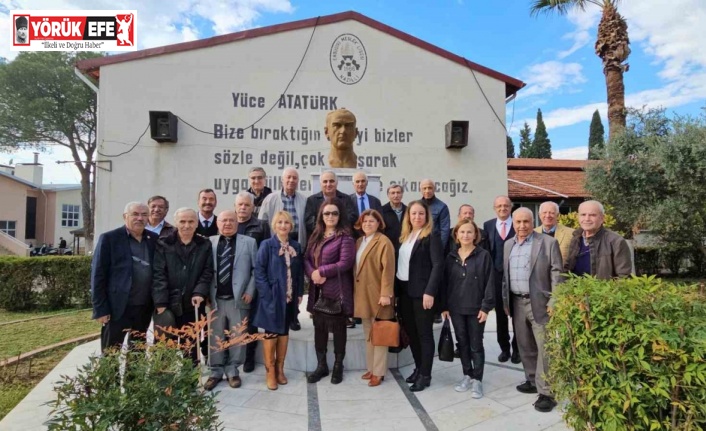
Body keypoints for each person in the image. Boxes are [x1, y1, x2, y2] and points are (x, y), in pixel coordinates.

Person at [502, 207, 563, 412]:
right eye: (518, 222)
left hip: (540, 303)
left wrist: (554, 301)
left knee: (544, 346)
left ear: (533, 221)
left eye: (526, 222)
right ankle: (531, 379)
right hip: (516, 302)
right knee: (525, 344)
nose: (522, 226)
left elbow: (557, 274)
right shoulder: (507, 244)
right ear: (513, 223)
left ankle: (546, 392)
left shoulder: (548, 243)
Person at [91, 202, 157, 352]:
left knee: (138, 352)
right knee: (111, 353)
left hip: (143, 307)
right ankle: (110, 377)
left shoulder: (153, 239)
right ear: (125, 216)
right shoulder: (109, 239)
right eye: (135, 214)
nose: (140, 218)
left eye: (144, 215)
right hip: (117, 308)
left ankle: (133, 377)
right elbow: (98, 275)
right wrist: (100, 309)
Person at [204, 210, 258, 391]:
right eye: (223, 220)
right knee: (215, 336)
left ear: (237, 223)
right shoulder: (208, 243)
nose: (227, 223)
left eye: (231, 220)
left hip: (239, 298)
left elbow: (255, 270)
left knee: (238, 336)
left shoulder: (249, 243)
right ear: (217, 223)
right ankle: (215, 371)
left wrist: (250, 291)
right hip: (214, 300)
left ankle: (233, 370)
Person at [151, 208, 213, 364]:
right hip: (167, 304)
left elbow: (207, 272)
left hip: (192, 304)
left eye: (191, 221)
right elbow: (158, 274)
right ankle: (164, 383)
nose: (186, 225)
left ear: (197, 223)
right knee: (165, 346)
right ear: (176, 223)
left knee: (190, 346)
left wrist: (200, 292)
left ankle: (189, 383)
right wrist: (160, 302)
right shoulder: (164, 243)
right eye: (182, 221)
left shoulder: (204, 244)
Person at [441, 218, 494, 398]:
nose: (466, 235)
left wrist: (486, 307)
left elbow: (489, 282)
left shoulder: (483, 255)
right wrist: (445, 306)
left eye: (469, 232)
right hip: (456, 308)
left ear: (475, 235)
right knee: (462, 343)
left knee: (476, 344)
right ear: (456, 235)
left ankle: (477, 380)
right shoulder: (450, 257)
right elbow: (445, 283)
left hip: (476, 308)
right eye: (462, 232)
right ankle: (467, 375)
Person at [305, 198, 355, 385]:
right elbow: (306, 259)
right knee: (320, 329)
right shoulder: (316, 235)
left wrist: (323, 272)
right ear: (321, 215)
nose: (330, 216)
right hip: (317, 290)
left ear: (339, 215)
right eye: (327, 213)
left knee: (339, 329)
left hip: (336, 290)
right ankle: (322, 365)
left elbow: (345, 263)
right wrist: (313, 273)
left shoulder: (345, 237)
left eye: (334, 213)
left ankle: (338, 366)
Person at [253, 211, 304, 390]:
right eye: (280, 222)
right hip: (272, 297)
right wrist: (267, 294)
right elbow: (259, 271)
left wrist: (298, 293)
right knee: (271, 333)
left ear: (291, 226)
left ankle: (280, 369)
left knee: (284, 332)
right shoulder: (267, 245)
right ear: (275, 225)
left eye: (287, 223)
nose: (283, 226)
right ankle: (270, 371)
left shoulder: (296, 246)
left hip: (289, 298)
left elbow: (298, 273)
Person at [396, 200, 443, 392]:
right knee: (412, 333)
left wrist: (430, 292)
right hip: (405, 292)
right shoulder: (405, 236)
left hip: (422, 293)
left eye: (421, 214)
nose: (417, 217)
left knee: (424, 334)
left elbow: (438, 265)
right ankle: (418, 367)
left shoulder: (432, 236)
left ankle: (426, 375)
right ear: (408, 216)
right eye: (413, 213)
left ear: (426, 216)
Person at [259, 167, 308, 331]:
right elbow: (262, 222)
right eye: (288, 178)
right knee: (279, 278)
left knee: (293, 276)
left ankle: (293, 316)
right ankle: (276, 315)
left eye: (294, 178)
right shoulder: (270, 198)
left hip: (295, 241)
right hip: (276, 242)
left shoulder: (303, 199)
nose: (291, 181)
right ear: (282, 180)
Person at [353, 209, 396, 387]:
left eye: (372, 221)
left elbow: (388, 269)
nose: (368, 224)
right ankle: (371, 368)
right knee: (368, 334)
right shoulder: (358, 241)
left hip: (379, 296)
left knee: (380, 334)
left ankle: (379, 372)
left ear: (379, 223)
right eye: (365, 221)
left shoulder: (383, 242)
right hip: (362, 294)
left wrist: (386, 294)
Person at [234, 191, 271, 372]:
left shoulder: (261, 226)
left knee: (251, 323)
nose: (243, 208)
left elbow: (265, 255)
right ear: (235, 206)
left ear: (253, 207)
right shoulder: (228, 223)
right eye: (240, 204)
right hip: (232, 280)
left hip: (253, 279)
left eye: (247, 205)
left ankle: (249, 356)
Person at [483, 196, 520, 364]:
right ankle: (504, 348)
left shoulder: (518, 223)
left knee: (518, 315)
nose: (503, 208)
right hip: (497, 277)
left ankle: (517, 349)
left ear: (511, 207)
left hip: (517, 276)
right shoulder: (488, 225)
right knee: (500, 316)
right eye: (499, 206)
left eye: (506, 205)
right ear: (494, 208)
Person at [564, 200, 633, 278]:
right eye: (583, 214)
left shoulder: (616, 241)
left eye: (592, 215)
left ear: (602, 218)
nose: (587, 219)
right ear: (578, 217)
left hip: (602, 289)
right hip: (576, 289)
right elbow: (568, 267)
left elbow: (623, 276)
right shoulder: (575, 238)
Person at [304, 170, 357, 238]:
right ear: (320, 184)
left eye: (331, 181)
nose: (328, 184)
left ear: (337, 183)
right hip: (319, 238)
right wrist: (326, 229)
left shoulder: (346, 199)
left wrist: (335, 229)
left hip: (341, 237)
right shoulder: (312, 200)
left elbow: (352, 217)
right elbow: (309, 221)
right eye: (325, 181)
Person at [420, 179, 451, 251]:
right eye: (424, 188)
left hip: (434, 246)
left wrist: (439, 249)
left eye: (430, 188)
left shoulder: (442, 207)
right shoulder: (417, 206)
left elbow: (444, 231)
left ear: (434, 189)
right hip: (419, 245)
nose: (427, 191)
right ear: (420, 190)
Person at [380, 184, 407, 255]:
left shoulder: (408, 211)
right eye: (393, 193)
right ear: (388, 195)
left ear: (402, 194)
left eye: (398, 192)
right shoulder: (382, 211)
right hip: (388, 249)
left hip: (405, 248)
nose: (396, 195)